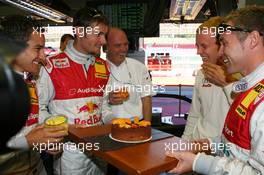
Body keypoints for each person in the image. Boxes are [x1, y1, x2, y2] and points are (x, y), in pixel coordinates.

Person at [167, 6, 264, 174]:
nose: (222, 51)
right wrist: (196, 145)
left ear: (253, 39)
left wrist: (199, 162)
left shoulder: (255, 95)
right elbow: (232, 144)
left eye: (225, 43)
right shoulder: (251, 87)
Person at [37, 7, 110, 174]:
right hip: (69, 156)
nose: (103, 41)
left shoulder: (103, 66)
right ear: (79, 31)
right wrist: (62, 129)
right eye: (98, 34)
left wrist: (115, 122)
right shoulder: (51, 66)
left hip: (100, 152)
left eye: (104, 35)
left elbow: (104, 106)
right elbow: (37, 109)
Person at [0, 16, 67, 175]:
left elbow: (28, 127)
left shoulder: (30, 80)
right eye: (38, 49)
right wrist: (30, 140)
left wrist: (44, 141)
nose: (44, 57)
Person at [181, 16, 238, 140]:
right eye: (197, 46)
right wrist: (184, 143)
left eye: (204, 46)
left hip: (223, 152)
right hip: (197, 146)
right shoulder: (202, 73)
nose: (199, 52)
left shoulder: (242, 75)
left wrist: (226, 83)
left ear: (222, 45)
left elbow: (246, 116)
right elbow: (194, 114)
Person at [102, 27, 155, 123]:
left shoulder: (139, 67)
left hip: (137, 124)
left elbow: (146, 98)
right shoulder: (98, 69)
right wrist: (108, 100)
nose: (123, 49)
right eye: (117, 45)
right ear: (106, 47)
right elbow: (97, 103)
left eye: (126, 44)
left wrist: (146, 126)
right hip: (109, 126)